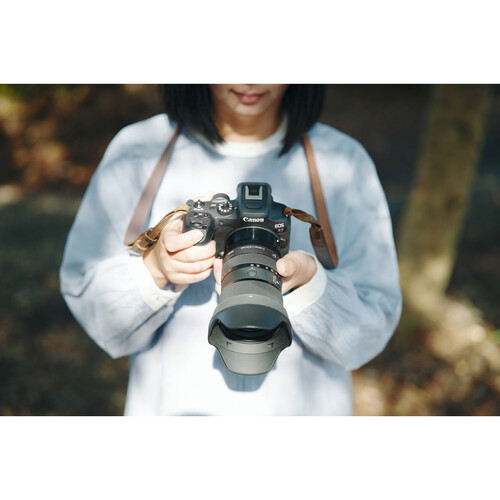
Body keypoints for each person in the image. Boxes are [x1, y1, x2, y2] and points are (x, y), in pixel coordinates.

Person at [60, 84, 402, 415]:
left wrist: (310, 285)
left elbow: (374, 326)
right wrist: (157, 268)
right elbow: (89, 304)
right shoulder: (140, 149)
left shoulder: (343, 162)